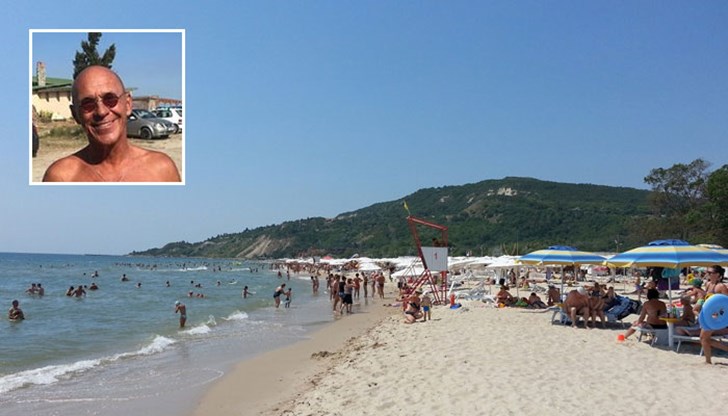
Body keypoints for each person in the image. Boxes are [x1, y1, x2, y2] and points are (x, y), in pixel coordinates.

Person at [42, 65, 180, 182]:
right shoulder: (62, 177)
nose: (101, 111)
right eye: (88, 104)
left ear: (127, 104)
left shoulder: (161, 170)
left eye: (110, 99)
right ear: (75, 114)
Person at [699, 266, 728, 364]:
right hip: (708, 315)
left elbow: (726, 304)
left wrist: (719, 315)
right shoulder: (708, 284)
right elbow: (706, 298)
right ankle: (708, 360)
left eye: (710, 272)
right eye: (707, 272)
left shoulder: (721, 287)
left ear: (718, 274)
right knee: (704, 338)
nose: (708, 274)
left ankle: (708, 361)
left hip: (716, 317)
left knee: (703, 337)